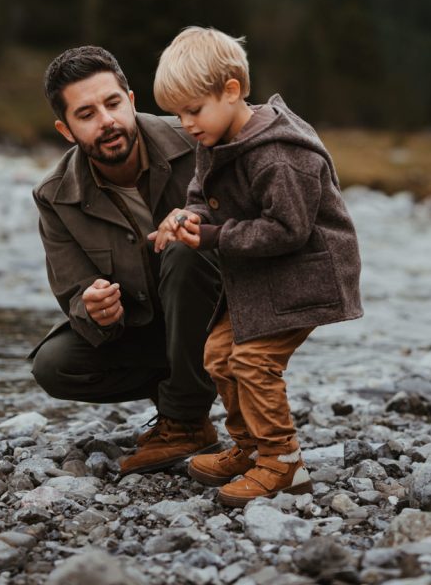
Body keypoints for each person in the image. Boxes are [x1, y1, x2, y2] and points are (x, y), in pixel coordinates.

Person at [150, 27, 363, 507]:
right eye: (178, 113)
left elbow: (288, 230)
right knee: (219, 355)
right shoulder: (215, 137)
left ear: (231, 90)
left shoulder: (281, 156)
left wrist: (214, 236)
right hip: (263, 275)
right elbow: (200, 197)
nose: (186, 124)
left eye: (194, 110)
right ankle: (249, 448)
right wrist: (188, 218)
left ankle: (283, 464)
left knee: (253, 360)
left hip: (307, 273)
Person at [29, 45, 222, 474]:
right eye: (87, 114)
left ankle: (185, 420)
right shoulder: (55, 196)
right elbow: (73, 290)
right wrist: (94, 307)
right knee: (53, 365)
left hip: (228, 316)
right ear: (66, 130)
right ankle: (183, 390)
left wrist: (201, 231)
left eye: (113, 103)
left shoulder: (198, 140)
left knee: (184, 248)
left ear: (131, 101)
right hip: (150, 328)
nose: (107, 121)